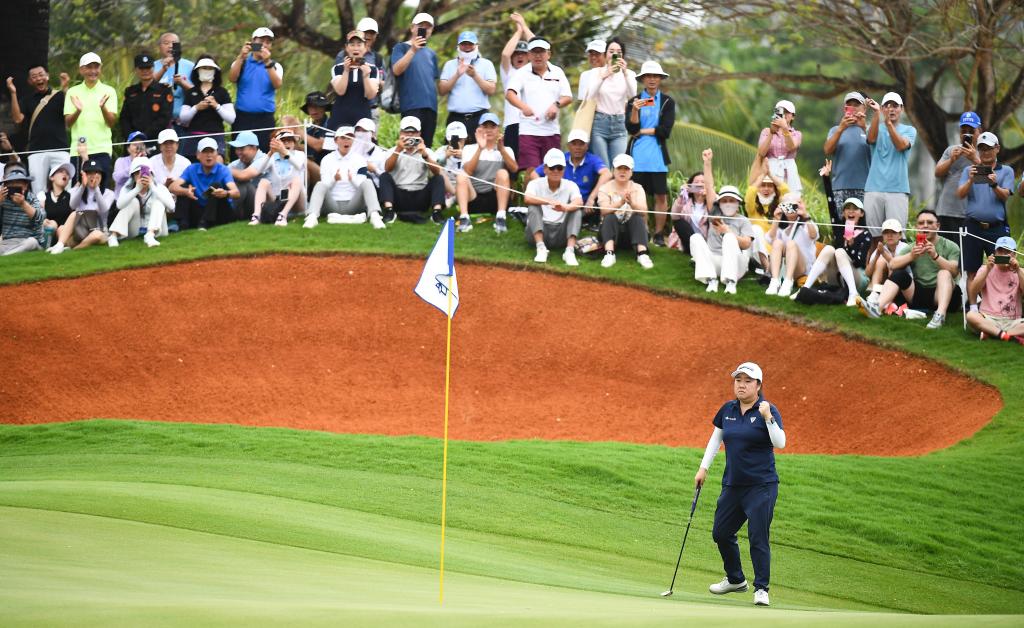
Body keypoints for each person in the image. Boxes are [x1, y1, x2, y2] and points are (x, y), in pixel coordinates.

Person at [694, 362, 785, 608]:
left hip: (761, 486)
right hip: (733, 485)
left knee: (758, 536)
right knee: (721, 533)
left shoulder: (767, 410)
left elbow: (780, 443)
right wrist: (703, 468)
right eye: (738, 380)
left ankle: (761, 589)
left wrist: (768, 418)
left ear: (758, 385)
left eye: (747, 381)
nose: (741, 385)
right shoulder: (728, 409)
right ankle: (735, 579)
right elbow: (716, 439)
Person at [859, 209, 961, 329]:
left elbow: (954, 271)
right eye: (921, 223)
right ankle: (877, 308)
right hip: (919, 295)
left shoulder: (950, 246)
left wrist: (936, 256)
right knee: (899, 273)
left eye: (929, 222)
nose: (925, 225)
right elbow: (892, 265)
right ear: (917, 227)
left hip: (944, 296)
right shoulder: (912, 247)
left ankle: (940, 315)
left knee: (944, 273)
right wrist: (911, 256)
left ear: (937, 226)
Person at [505, 38, 573, 173]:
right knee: (532, 171)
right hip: (528, 131)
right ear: (529, 55)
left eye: (541, 52)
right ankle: (529, 188)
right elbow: (510, 94)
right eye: (534, 52)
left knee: (552, 171)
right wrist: (523, 106)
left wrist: (556, 105)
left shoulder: (557, 72)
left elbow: (568, 97)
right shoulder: (521, 73)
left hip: (551, 131)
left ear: (548, 54)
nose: (538, 56)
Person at [626, 61, 675, 247]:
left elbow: (665, 131)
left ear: (660, 79)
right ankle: (642, 230)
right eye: (648, 76)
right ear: (643, 79)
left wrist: (644, 131)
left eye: (655, 76)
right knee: (637, 195)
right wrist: (635, 110)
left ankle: (659, 234)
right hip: (637, 156)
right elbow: (631, 129)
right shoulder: (634, 101)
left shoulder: (668, 101)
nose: (652, 79)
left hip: (657, 157)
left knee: (661, 196)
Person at [6, 65, 71, 198]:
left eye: (41, 74)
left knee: (66, 189)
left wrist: (65, 87)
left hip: (60, 148)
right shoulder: (27, 100)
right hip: (36, 151)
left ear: (47, 76)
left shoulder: (59, 95)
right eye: (34, 77)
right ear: (30, 81)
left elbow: (70, 113)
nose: (39, 78)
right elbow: (18, 119)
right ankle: (40, 213)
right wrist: (13, 93)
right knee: (38, 191)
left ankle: (65, 212)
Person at [956, 131, 1014, 278]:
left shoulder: (1006, 171)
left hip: (996, 228)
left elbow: (1005, 196)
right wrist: (970, 180)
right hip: (973, 226)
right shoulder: (969, 170)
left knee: (1002, 267)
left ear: (997, 148)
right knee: (971, 270)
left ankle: (998, 294)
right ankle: (973, 295)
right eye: (982, 149)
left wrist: (994, 184)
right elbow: (960, 194)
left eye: (989, 148)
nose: (985, 152)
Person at [795, 197, 872, 306]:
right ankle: (805, 288)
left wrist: (850, 246)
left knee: (840, 251)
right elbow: (831, 206)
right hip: (837, 277)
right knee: (829, 249)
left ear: (862, 213)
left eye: (855, 209)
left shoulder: (866, 234)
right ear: (843, 213)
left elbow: (860, 262)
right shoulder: (840, 229)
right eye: (847, 208)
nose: (851, 211)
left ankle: (853, 293)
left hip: (857, 278)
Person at [303, 126, 384, 229]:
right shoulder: (327, 159)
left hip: (354, 204)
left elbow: (362, 185)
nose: (346, 141)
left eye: (349, 138)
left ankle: (375, 216)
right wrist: (334, 179)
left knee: (367, 182)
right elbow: (325, 185)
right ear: (336, 140)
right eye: (343, 138)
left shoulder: (360, 160)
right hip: (332, 204)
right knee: (319, 184)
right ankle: (312, 217)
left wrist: (352, 179)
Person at [529, 129, 610, 229]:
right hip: (558, 201)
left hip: (581, 204)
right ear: (568, 145)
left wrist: (591, 198)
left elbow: (607, 174)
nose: (577, 147)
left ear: (587, 146)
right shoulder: (560, 158)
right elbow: (534, 174)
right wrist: (546, 193)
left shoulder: (593, 160)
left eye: (581, 144)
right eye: (574, 143)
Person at [863, 92, 916, 236]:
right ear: (882, 109)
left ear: (901, 109)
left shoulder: (909, 130)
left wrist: (888, 124)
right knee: (873, 236)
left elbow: (901, 145)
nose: (891, 109)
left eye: (895, 106)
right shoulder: (874, 127)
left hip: (897, 189)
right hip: (873, 188)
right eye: (887, 106)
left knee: (897, 235)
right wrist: (876, 114)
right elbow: (871, 139)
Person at [577, 38, 636, 169]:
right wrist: (604, 75)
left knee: (619, 166)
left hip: (619, 123)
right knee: (603, 167)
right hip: (599, 123)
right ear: (605, 54)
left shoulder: (630, 74)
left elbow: (633, 97)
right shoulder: (595, 73)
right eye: (611, 51)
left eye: (619, 52)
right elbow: (590, 96)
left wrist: (625, 73)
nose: (615, 54)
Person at [456, 113, 517, 233]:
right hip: (473, 198)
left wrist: (502, 150)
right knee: (461, 176)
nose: (488, 130)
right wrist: (480, 148)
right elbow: (468, 171)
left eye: (492, 127)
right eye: (485, 126)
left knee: (503, 173)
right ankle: (464, 218)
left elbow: (514, 169)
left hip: (495, 199)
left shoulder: (506, 150)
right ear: (479, 129)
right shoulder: (469, 148)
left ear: (498, 130)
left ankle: (501, 217)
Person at [690, 185, 756, 294]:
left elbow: (746, 244)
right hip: (714, 262)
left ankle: (730, 282)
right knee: (695, 238)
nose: (728, 204)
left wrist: (727, 232)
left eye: (731, 200)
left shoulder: (743, 220)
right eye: (724, 201)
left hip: (736, 265)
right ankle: (711, 279)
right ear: (719, 203)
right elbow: (709, 185)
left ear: (738, 203)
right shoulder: (714, 217)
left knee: (729, 237)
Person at [64, 52, 118, 184]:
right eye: (89, 67)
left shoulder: (109, 91)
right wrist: (78, 111)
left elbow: (111, 123)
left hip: (102, 149)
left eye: (96, 67)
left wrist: (103, 107)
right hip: (78, 150)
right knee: (79, 191)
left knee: (101, 190)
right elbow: (68, 123)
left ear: (100, 68)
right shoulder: (72, 92)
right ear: (81, 70)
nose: (93, 71)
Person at [379, 115, 445, 224]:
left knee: (438, 178)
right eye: (406, 132)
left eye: (413, 133)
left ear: (419, 134)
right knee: (384, 176)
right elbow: (387, 169)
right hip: (399, 196)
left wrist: (424, 154)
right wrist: (398, 149)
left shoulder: (426, 151)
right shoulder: (393, 151)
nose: (410, 135)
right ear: (401, 133)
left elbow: (437, 172)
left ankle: (436, 213)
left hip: (420, 197)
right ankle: (389, 211)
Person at [523, 148, 583, 265]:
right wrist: (548, 201)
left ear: (564, 169)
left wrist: (565, 208)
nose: (556, 171)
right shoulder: (535, 183)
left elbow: (579, 201)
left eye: (559, 168)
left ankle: (569, 251)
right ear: (545, 169)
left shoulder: (571, 185)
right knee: (533, 207)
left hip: (561, 234)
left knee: (576, 211)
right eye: (552, 167)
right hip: (539, 231)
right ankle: (541, 248)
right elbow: (527, 198)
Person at [229, 27, 283, 154]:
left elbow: (277, 84)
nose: (264, 45)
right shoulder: (241, 62)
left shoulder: (275, 66)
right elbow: (232, 78)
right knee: (239, 154)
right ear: (252, 42)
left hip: (265, 118)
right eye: (261, 41)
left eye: (268, 42)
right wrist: (241, 56)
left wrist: (267, 62)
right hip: (242, 117)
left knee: (264, 154)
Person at [169, 137, 240, 230]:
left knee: (216, 186)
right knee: (183, 187)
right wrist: (186, 191)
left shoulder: (223, 170)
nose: (209, 155)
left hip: (220, 212)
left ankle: (205, 223)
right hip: (200, 210)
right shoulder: (191, 169)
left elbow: (236, 192)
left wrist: (226, 193)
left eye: (212, 152)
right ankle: (182, 224)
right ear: (198, 155)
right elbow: (172, 187)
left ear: (217, 154)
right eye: (205, 152)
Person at [596, 153, 653, 269]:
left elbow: (644, 211)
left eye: (626, 169)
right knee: (609, 217)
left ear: (631, 172)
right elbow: (603, 211)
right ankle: (609, 253)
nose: (622, 172)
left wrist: (632, 203)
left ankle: (642, 254)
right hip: (610, 233)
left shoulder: (638, 188)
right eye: (619, 168)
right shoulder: (604, 188)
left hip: (632, 234)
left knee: (637, 217)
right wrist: (621, 202)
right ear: (613, 170)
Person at [391, 13, 441, 145]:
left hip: (431, 107)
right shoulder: (401, 47)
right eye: (420, 26)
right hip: (411, 106)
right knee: (410, 146)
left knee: (426, 147)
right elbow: (396, 70)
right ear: (412, 28)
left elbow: (434, 81)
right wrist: (413, 50)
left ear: (431, 30)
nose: (424, 29)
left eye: (428, 27)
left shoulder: (432, 54)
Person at [440, 31, 497, 142]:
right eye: (463, 44)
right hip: (456, 118)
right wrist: (457, 74)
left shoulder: (486, 64)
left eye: (470, 44)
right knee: (454, 151)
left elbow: (491, 90)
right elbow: (442, 90)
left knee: (480, 150)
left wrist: (475, 75)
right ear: (458, 46)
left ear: (476, 45)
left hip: (479, 118)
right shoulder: (449, 65)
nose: (467, 47)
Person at [241, 129, 306, 227]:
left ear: (294, 143)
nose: (287, 143)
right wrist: (270, 153)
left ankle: (282, 216)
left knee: (296, 180)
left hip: (297, 200)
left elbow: (298, 166)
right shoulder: (273, 157)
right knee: (263, 181)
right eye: (283, 141)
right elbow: (260, 170)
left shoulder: (300, 155)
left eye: (290, 140)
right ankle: (256, 216)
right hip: (277, 199)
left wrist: (284, 152)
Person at [49, 158, 115, 254]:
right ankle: (60, 245)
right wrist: (83, 187)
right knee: (61, 228)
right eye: (89, 173)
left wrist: (96, 189)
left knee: (97, 235)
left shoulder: (109, 193)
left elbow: (104, 210)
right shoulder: (75, 191)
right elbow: (72, 205)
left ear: (102, 176)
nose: (93, 176)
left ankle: (74, 249)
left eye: (96, 173)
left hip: (98, 230)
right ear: (84, 175)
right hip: (79, 231)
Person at [823, 92, 869, 226]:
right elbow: (828, 150)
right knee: (841, 228)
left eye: (857, 105)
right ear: (845, 109)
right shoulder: (835, 130)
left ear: (864, 109)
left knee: (864, 228)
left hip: (865, 188)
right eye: (850, 105)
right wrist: (841, 129)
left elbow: (877, 149)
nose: (853, 108)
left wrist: (864, 128)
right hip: (840, 187)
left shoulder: (871, 130)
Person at [966, 237, 1023, 344]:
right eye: (1000, 251)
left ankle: (993, 333)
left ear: (1014, 254)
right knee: (971, 316)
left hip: (1013, 321)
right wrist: (988, 269)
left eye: (1007, 252)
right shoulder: (985, 269)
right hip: (988, 318)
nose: (1003, 255)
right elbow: (973, 290)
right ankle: (1006, 335)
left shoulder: (1020, 271)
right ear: (995, 253)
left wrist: (1018, 270)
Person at [934, 111, 981, 238]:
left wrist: (975, 158)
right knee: (946, 248)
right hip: (946, 210)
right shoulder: (952, 150)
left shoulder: (985, 152)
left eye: (971, 131)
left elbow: (991, 176)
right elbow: (937, 172)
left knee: (965, 249)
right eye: (963, 131)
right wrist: (951, 160)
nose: (967, 134)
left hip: (970, 213)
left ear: (979, 131)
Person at [108, 156, 173, 248]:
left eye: (144, 172)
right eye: (137, 173)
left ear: (151, 174)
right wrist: (137, 189)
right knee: (133, 201)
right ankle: (113, 236)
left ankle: (150, 235)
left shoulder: (159, 187)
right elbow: (119, 205)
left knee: (159, 201)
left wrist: (152, 187)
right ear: (133, 176)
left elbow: (172, 207)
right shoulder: (127, 189)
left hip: (158, 230)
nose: (141, 176)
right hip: (135, 230)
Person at [764, 193, 819, 297]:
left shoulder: (806, 223)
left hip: (801, 269)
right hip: (781, 269)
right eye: (786, 206)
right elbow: (769, 239)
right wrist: (776, 219)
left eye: (793, 206)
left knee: (791, 244)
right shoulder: (782, 225)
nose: (790, 209)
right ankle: (774, 281)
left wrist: (805, 216)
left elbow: (814, 235)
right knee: (777, 242)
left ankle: (788, 282)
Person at [180, 56, 235, 157]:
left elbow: (231, 119)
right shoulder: (191, 92)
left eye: (210, 68)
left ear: (215, 71)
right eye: (204, 68)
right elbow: (183, 119)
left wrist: (217, 106)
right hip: (194, 136)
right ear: (197, 71)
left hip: (216, 136)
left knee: (217, 162)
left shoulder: (222, 92)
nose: (207, 70)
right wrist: (196, 108)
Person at [326, 30, 380, 130]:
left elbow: (370, 95)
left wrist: (366, 76)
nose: (356, 48)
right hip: (339, 119)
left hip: (362, 120)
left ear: (365, 47)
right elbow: (340, 91)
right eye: (352, 44)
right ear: (347, 47)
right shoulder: (338, 68)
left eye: (359, 44)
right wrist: (346, 71)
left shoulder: (372, 69)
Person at [499, 14, 534, 163]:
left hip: (532, 126)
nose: (520, 56)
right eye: (517, 54)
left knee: (532, 166)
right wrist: (519, 32)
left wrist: (524, 25)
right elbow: (505, 54)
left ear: (529, 57)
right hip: (512, 125)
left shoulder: (534, 72)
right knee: (511, 167)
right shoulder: (508, 73)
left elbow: (540, 47)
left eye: (523, 54)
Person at [669, 149, 716, 254]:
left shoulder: (711, 201)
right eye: (696, 182)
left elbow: (716, 206)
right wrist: (682, 196)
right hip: (688, 240)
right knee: (679, 222)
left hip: (706, 242)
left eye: (702, 182)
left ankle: (702, 250)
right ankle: (691, 250)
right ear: (691, 184)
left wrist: (709, 193)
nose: (699, 184)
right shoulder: (686, 201)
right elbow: (674, 216)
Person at [152, 32, 196, 141]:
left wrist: (183, 83)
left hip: (183, 122)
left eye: (174, 43)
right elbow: (147, 87)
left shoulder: (190, 66)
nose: (170, 46)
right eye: (166, 43)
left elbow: (197, 93)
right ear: (159, 47)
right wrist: (163, 69)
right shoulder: (152, 66)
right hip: (158, 121)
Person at [119, 53, 173, 142]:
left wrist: (144, 136)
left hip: (155, 141)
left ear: (153, 68)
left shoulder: (164, 90)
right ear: (136, 70)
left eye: (148, 67)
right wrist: (132, 137)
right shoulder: (130, 91)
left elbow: (165, 118)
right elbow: (124, 118)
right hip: (133, 142)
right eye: (141, 68)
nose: (145, 71)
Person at [147, 129, 191, 231]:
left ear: (177, 145)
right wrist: (165, 186)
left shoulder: (185, 163)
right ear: (160, 146)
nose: (168, 146)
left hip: (180, 200)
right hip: (157, 199)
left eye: (171, 143)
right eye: (165, 143)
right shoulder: (151, 162)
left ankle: (181, 222)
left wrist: (174, 187)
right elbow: (148, 187)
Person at [757, 99, 802, 194]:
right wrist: (771, 133)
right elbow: (761, 153)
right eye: (781, 111)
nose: (784, 114)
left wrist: (785, 128)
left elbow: (791, 147)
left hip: (789, 171)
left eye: (787, 112)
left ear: (793, 116)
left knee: (791, 197)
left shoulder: (796, 134)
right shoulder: (766, 131)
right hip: (770, 169)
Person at [863, 218, 911, 305]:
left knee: (890, 264)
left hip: (904, 285)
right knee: (880, 261)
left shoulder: (905, 247)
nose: (889, 235)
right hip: (885, 284)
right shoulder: (881, 248)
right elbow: (867, 274)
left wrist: (883, 253)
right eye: (886, 232)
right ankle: (874, 294)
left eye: (893, 232)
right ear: (883, 235)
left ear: (900, 235)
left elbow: (894, 265)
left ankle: (887, 299)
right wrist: (877, 255)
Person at [0, 166, 45, 255]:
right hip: (7, 242)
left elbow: (40, 219)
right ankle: (10, 254)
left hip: (27, 241)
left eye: (18, 183)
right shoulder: (3, 199)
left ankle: (6, 256)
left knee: (32, 243)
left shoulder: (32, 198)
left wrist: (23, 203)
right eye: (11, 183)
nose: (14, 186)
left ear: (25, 186)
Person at [226, 131, 267, 219]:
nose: (238, 152)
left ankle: (227, 216)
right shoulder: (236, 164)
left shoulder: (265, 159)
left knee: (244, 183)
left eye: (241, 148)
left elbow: (244, 175)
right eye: (237, 149)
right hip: (246, 207)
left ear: (253, 148)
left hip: (266, 205)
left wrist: (222, 169)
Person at [351, 17, 385, 122]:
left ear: (376, 35)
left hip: (371, 110)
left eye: (372, 33)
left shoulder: (378, 58)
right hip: (350, 109)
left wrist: (377, 82)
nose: (368, 35)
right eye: (365, 32)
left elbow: (384, 84)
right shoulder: (345, 55)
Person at [301, 91, 332, 173]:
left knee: (302, 162)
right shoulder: (309, 128)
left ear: (324, 108)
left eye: (318, 106)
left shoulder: (331, 124)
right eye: (310, 107)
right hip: (310, 169)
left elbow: (319, 145)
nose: (314, 110)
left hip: (327, 170)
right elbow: (304, 148)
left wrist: (298, 131)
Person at [41, 162, 75, 235]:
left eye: (67, 173)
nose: (65, 174)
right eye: (61, 171)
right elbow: (39, 215)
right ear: (51, 177)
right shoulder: (42, 196)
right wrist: (44, 221)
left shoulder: (71, 195)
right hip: (48, 231)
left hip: (65, 233)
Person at [112, 131, 149, 197]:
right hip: (122, 199)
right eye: (135, 145)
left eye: (141, 144)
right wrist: (135, 163)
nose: (138, 147)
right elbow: (117, 178)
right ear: (128, 149)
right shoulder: (120, 161)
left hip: (141, 199)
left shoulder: (147, 161)